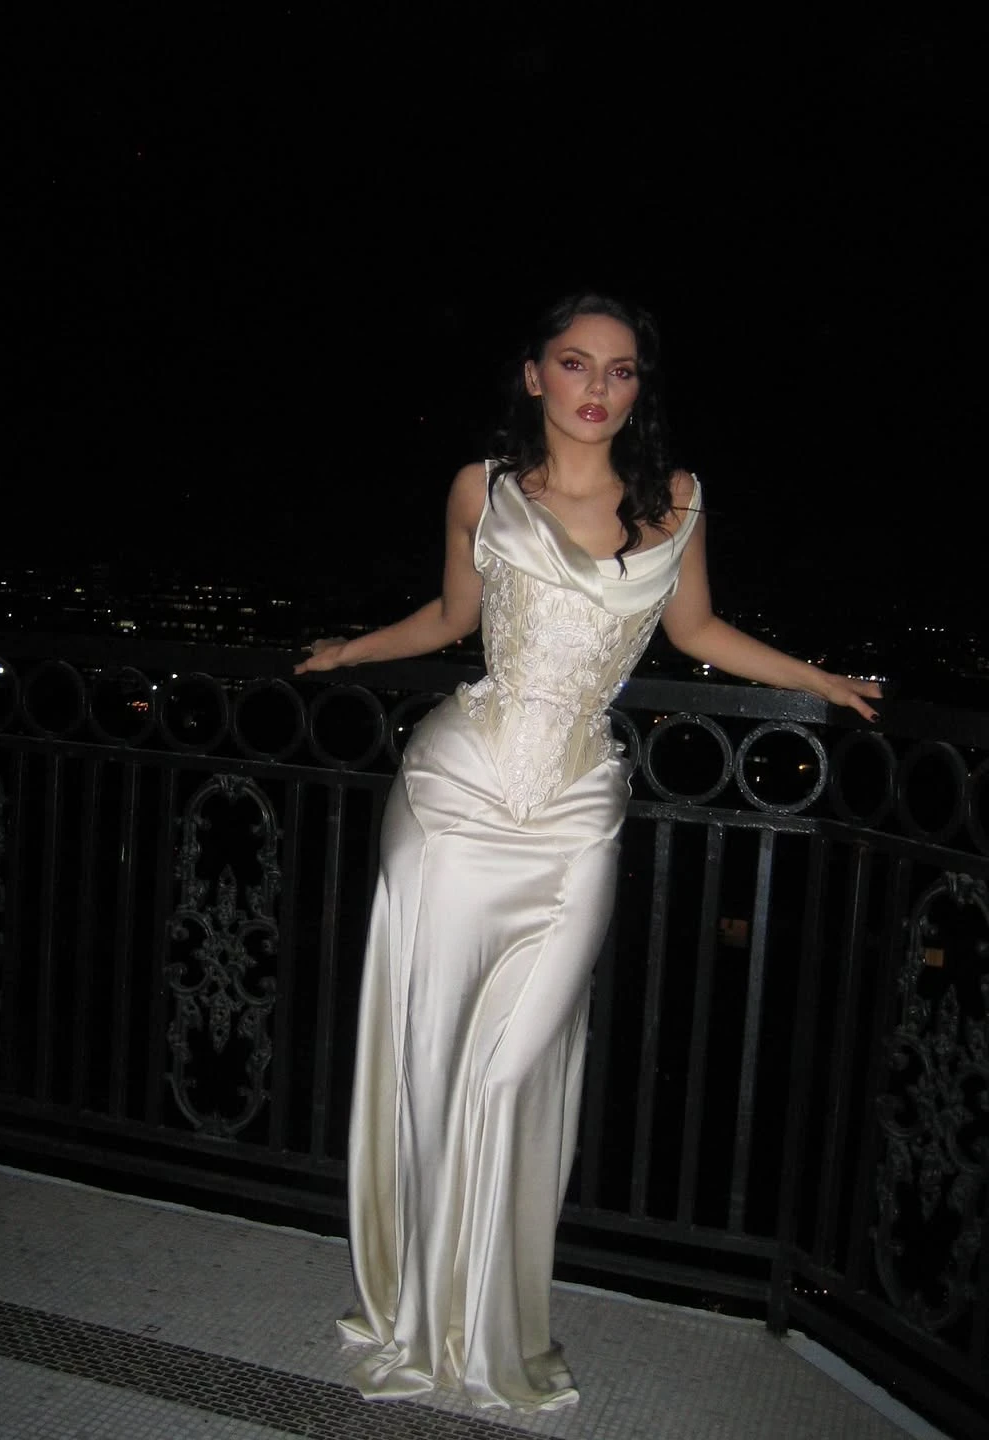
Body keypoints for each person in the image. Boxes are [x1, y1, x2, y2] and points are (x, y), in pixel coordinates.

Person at [294, 293, 881, 1412]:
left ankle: (483, 1318)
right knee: (435, 1051)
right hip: (456, 793)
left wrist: (817, 680)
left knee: (515, 1064)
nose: (597, 388)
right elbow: (451, 619)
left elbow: (696, 632)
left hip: (574, 808)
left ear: (638, 388)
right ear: (535, 376)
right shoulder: (483, 489)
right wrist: (351, 652)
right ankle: (425, 1317)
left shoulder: (678, 500)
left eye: (620, 370)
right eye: (575, 364)